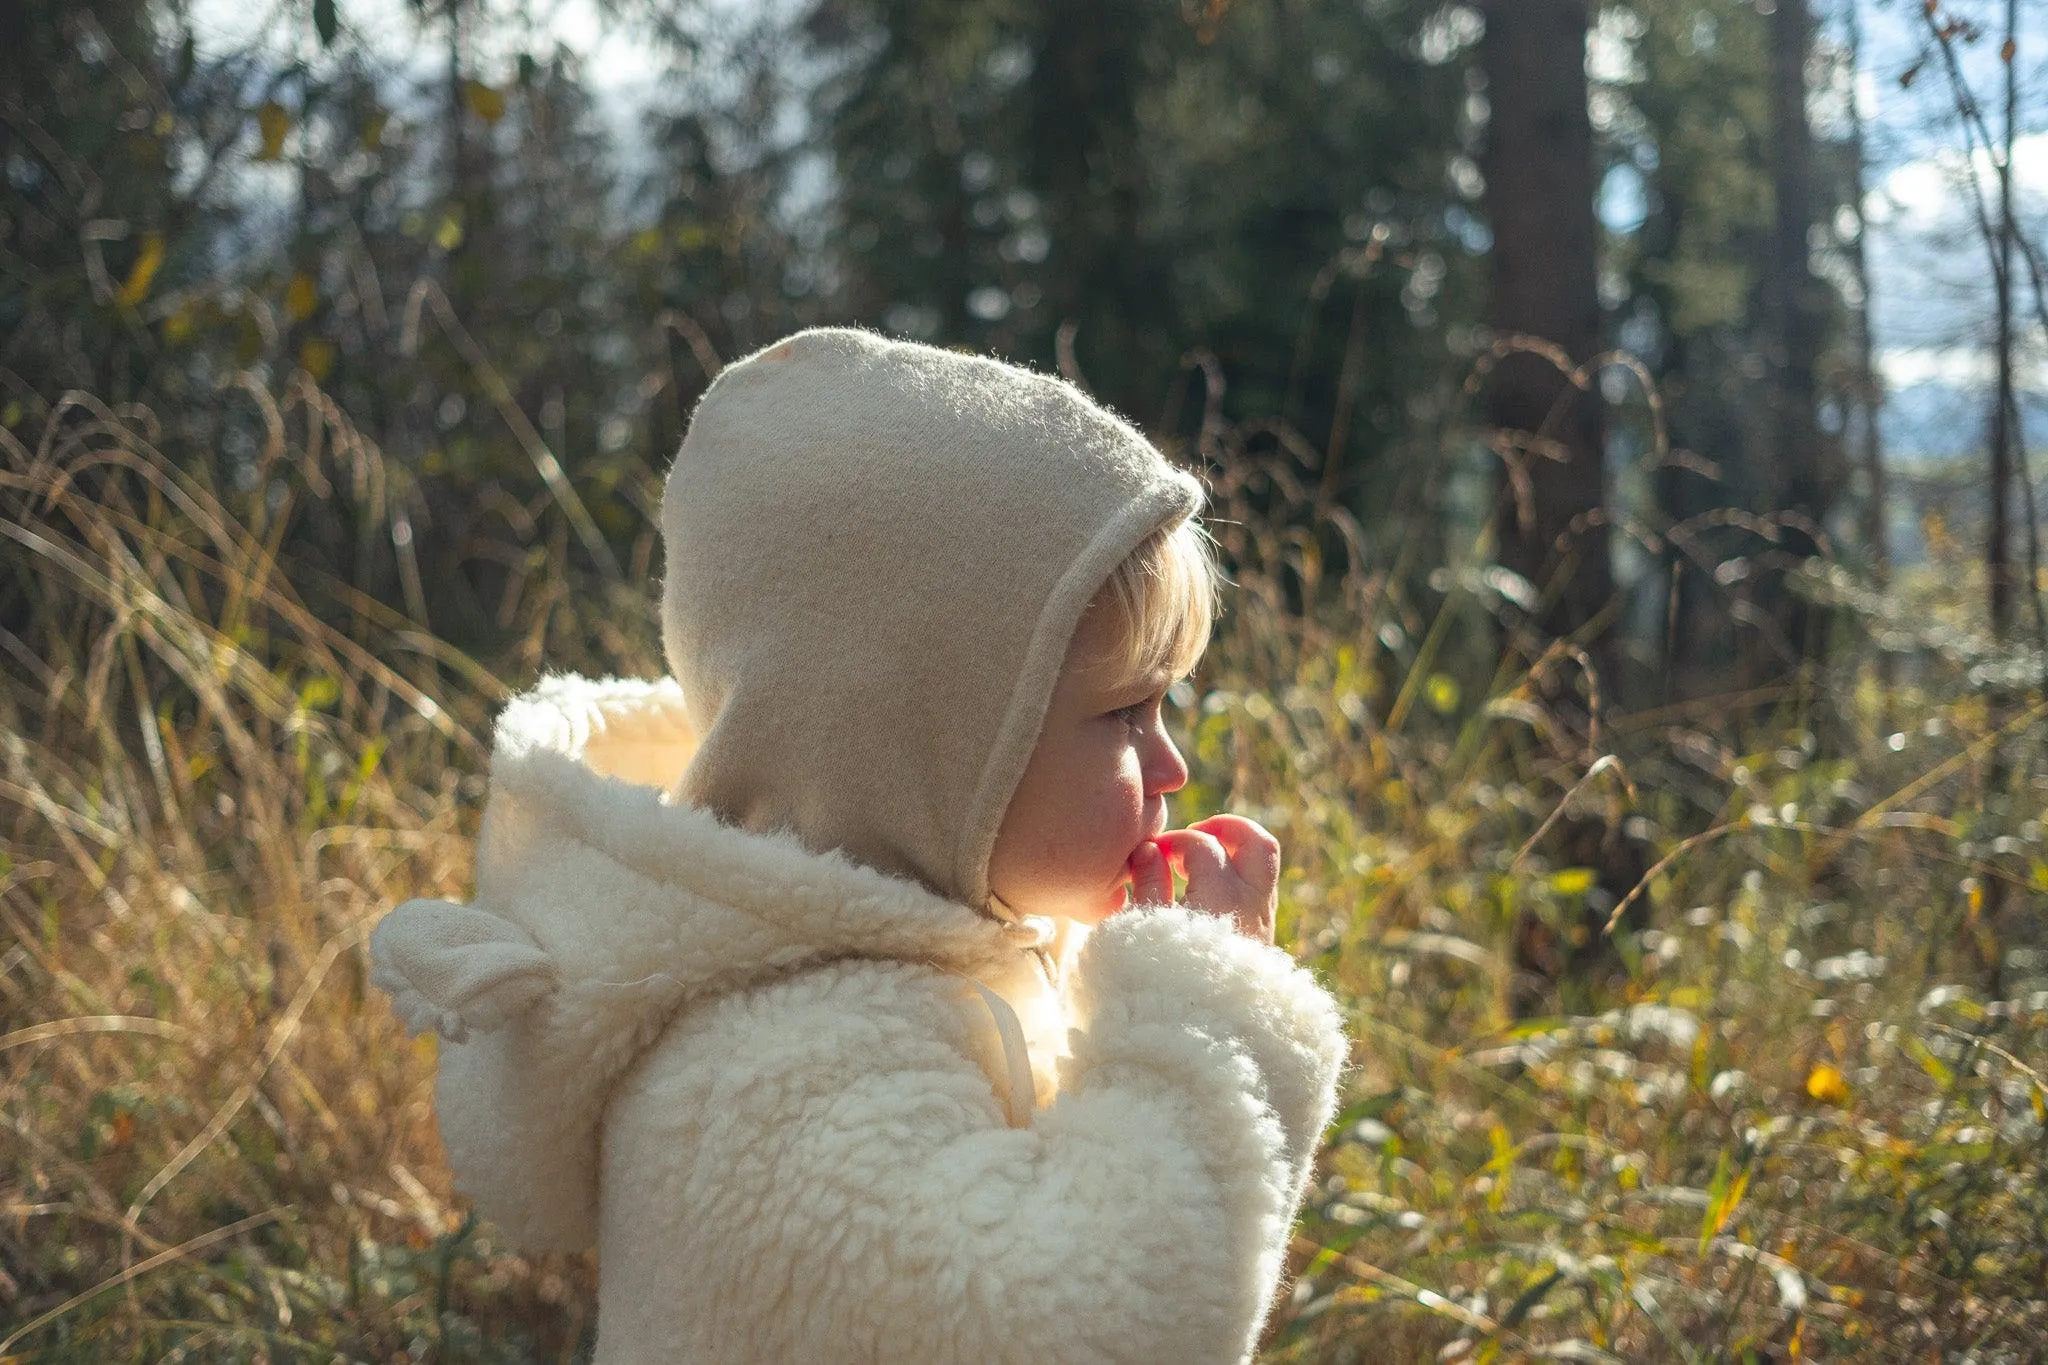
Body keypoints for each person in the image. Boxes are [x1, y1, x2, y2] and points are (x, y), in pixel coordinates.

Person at [370, 327, 1349, 1363]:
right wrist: (1206, 1016)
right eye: (1123, 715)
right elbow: (1099, 1326)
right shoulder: (767, 1083)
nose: (1170, 769)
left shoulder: (918, 970)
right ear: (928, 741)